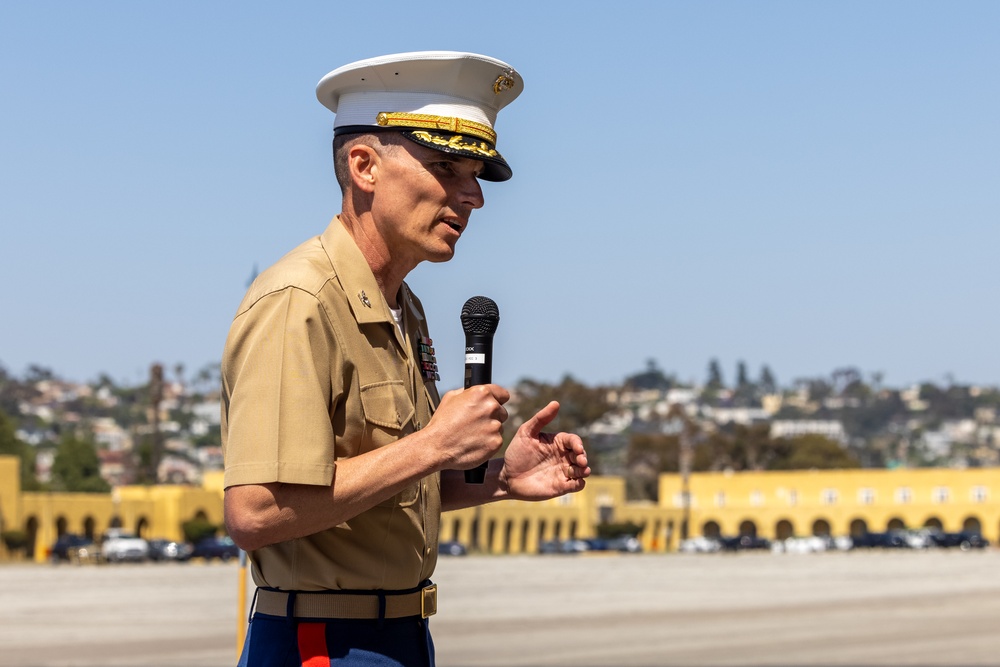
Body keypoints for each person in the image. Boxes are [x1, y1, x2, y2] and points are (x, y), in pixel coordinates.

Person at [221, 51, 591, 667]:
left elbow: (377, 493)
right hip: (323, 643)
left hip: (399, 635)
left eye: (475, 174)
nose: (472, 196)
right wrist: (435, 446)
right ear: (364, 166)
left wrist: (500, 480)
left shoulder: (401, 305)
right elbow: (256, 511)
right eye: (446, 168)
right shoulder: (300, 302)